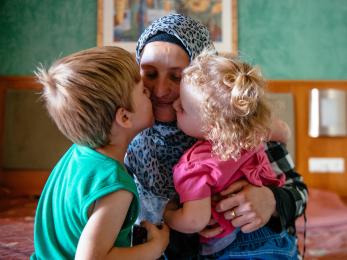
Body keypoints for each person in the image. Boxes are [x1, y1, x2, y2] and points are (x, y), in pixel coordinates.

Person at [125, 13, 308, 259]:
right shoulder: (125, 135)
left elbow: (300, 194)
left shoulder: (242, 124)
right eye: (150, 74)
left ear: (202, 79)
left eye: (176, 76)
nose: (160, 90)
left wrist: (272, 201)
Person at [31, 46, 169, 259]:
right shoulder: (114, 186)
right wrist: (155, 248)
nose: (150, 92)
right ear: (124, 117)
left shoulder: (78, 152)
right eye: (142, 90)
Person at [163, 49, 298, 259]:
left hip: (236, 248)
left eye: (182, 108)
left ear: (212, 127)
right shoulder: (252, 137)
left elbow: (194, 221)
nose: (174, 104)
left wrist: (168, 215)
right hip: (279, 240)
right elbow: (281, 129)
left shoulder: (195, 164)